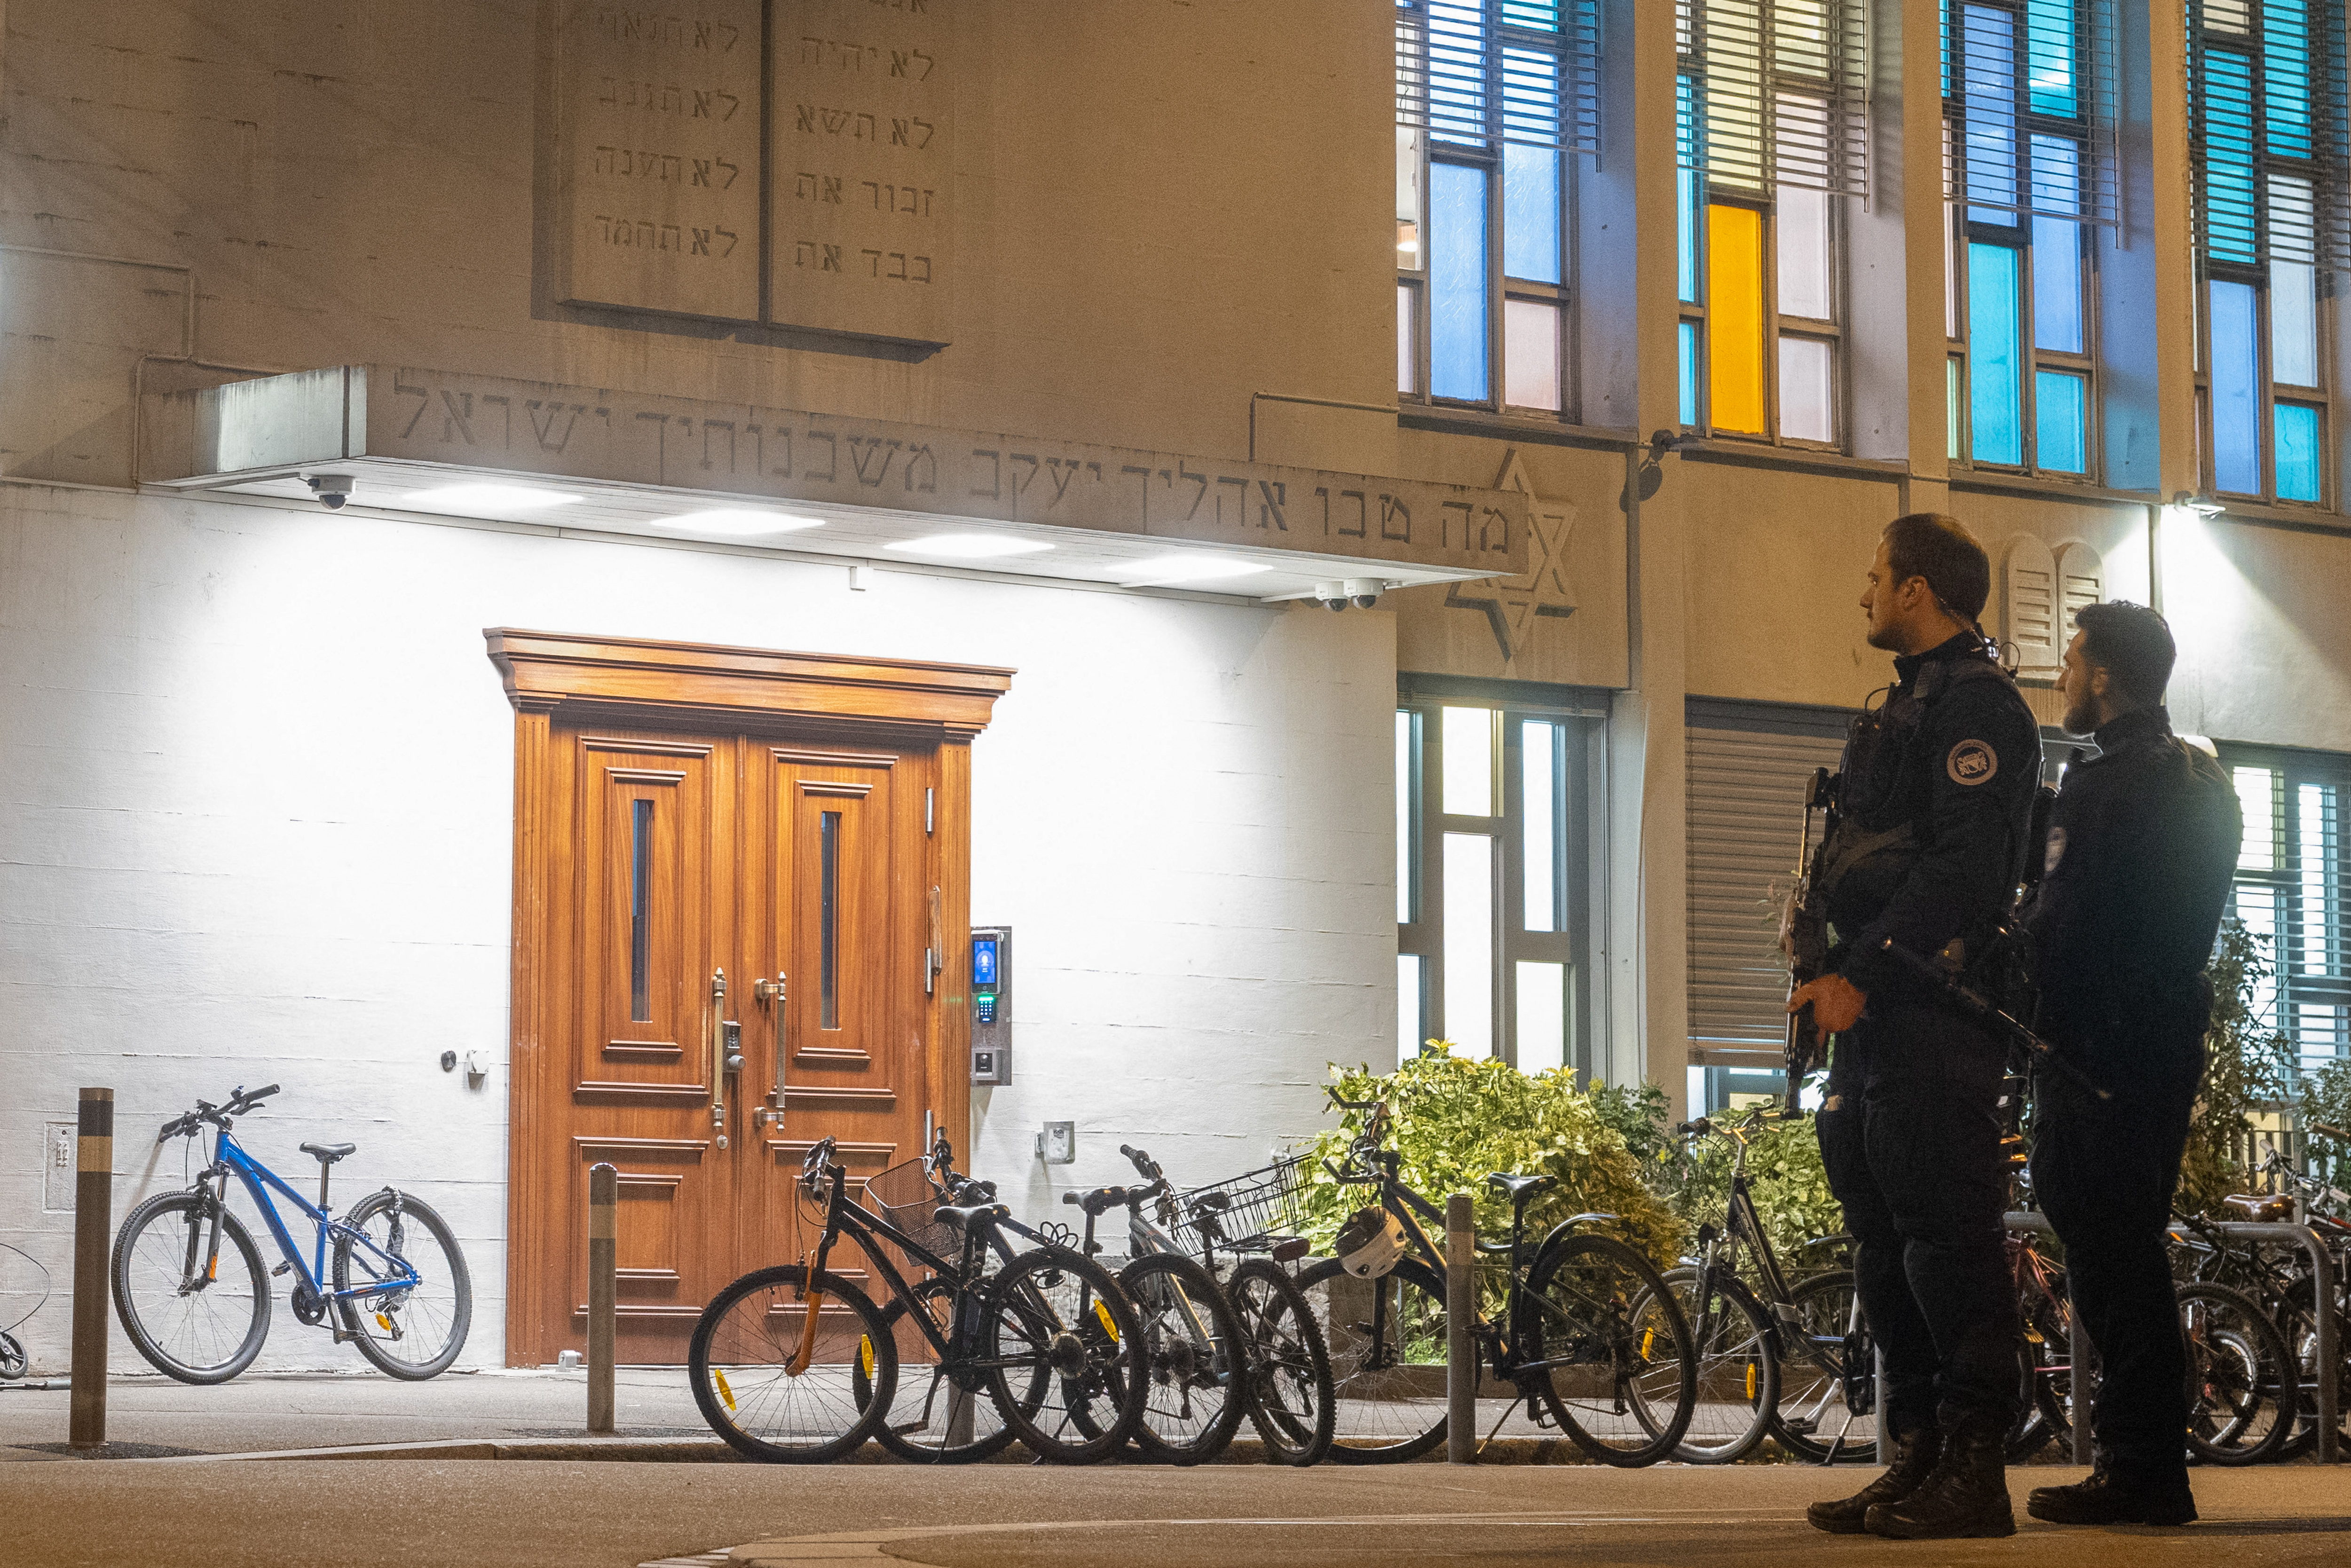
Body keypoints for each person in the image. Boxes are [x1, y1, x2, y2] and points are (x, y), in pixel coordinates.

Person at [1791, 514, 2042, 1541]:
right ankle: (1920, 1456)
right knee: (1883, 1242)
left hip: (1933, 1011)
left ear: (1918, 591)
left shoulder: (1979, 708)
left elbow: (1963, 874)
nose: (1863, 594)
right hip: (1876, 1013)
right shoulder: (1908, 707)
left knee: (1945, 1240)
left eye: (1875, 576)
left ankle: (1975, 1472)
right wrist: (1820, 966)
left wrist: (1863, 968)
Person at [2020, 602, 2241, 1527]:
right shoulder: (2199, 777)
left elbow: (2066, 924)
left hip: (2094, 1049)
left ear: (2104, 675)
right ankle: (2142, 1460)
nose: (2064, 676)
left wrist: (2012, 982)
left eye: (2072, 661)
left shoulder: (2103, 784)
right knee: (2124, 1247)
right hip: (2161, 1038)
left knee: (2109, 1253)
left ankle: (2142, 1467)